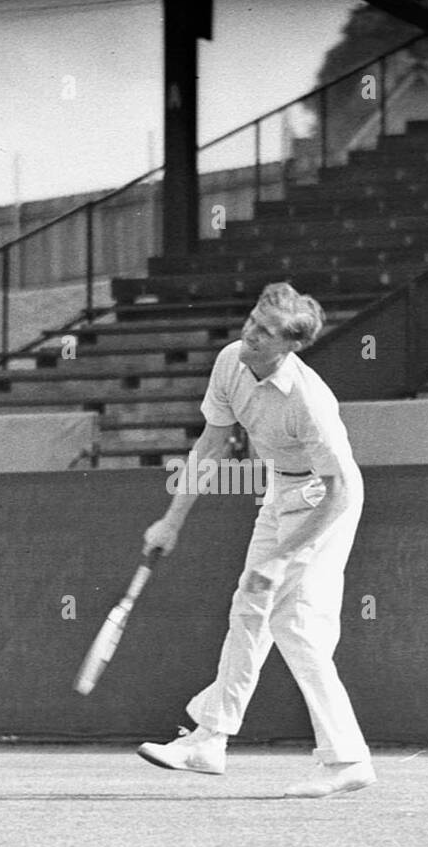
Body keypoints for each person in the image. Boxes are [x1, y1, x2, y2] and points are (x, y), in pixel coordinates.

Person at [136, 282, 375, 799]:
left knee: (293, 621)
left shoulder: (310, 401)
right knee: (248, 609)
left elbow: (337, 492)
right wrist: (172, 520)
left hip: (326, 501)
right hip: (279, 491)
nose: (250, 335)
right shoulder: (230, 360)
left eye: (265, 332)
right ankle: (209, 741)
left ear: (290, 345)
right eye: (251, 322)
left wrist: (282, 559)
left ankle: (348, 759)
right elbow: (210, 445)